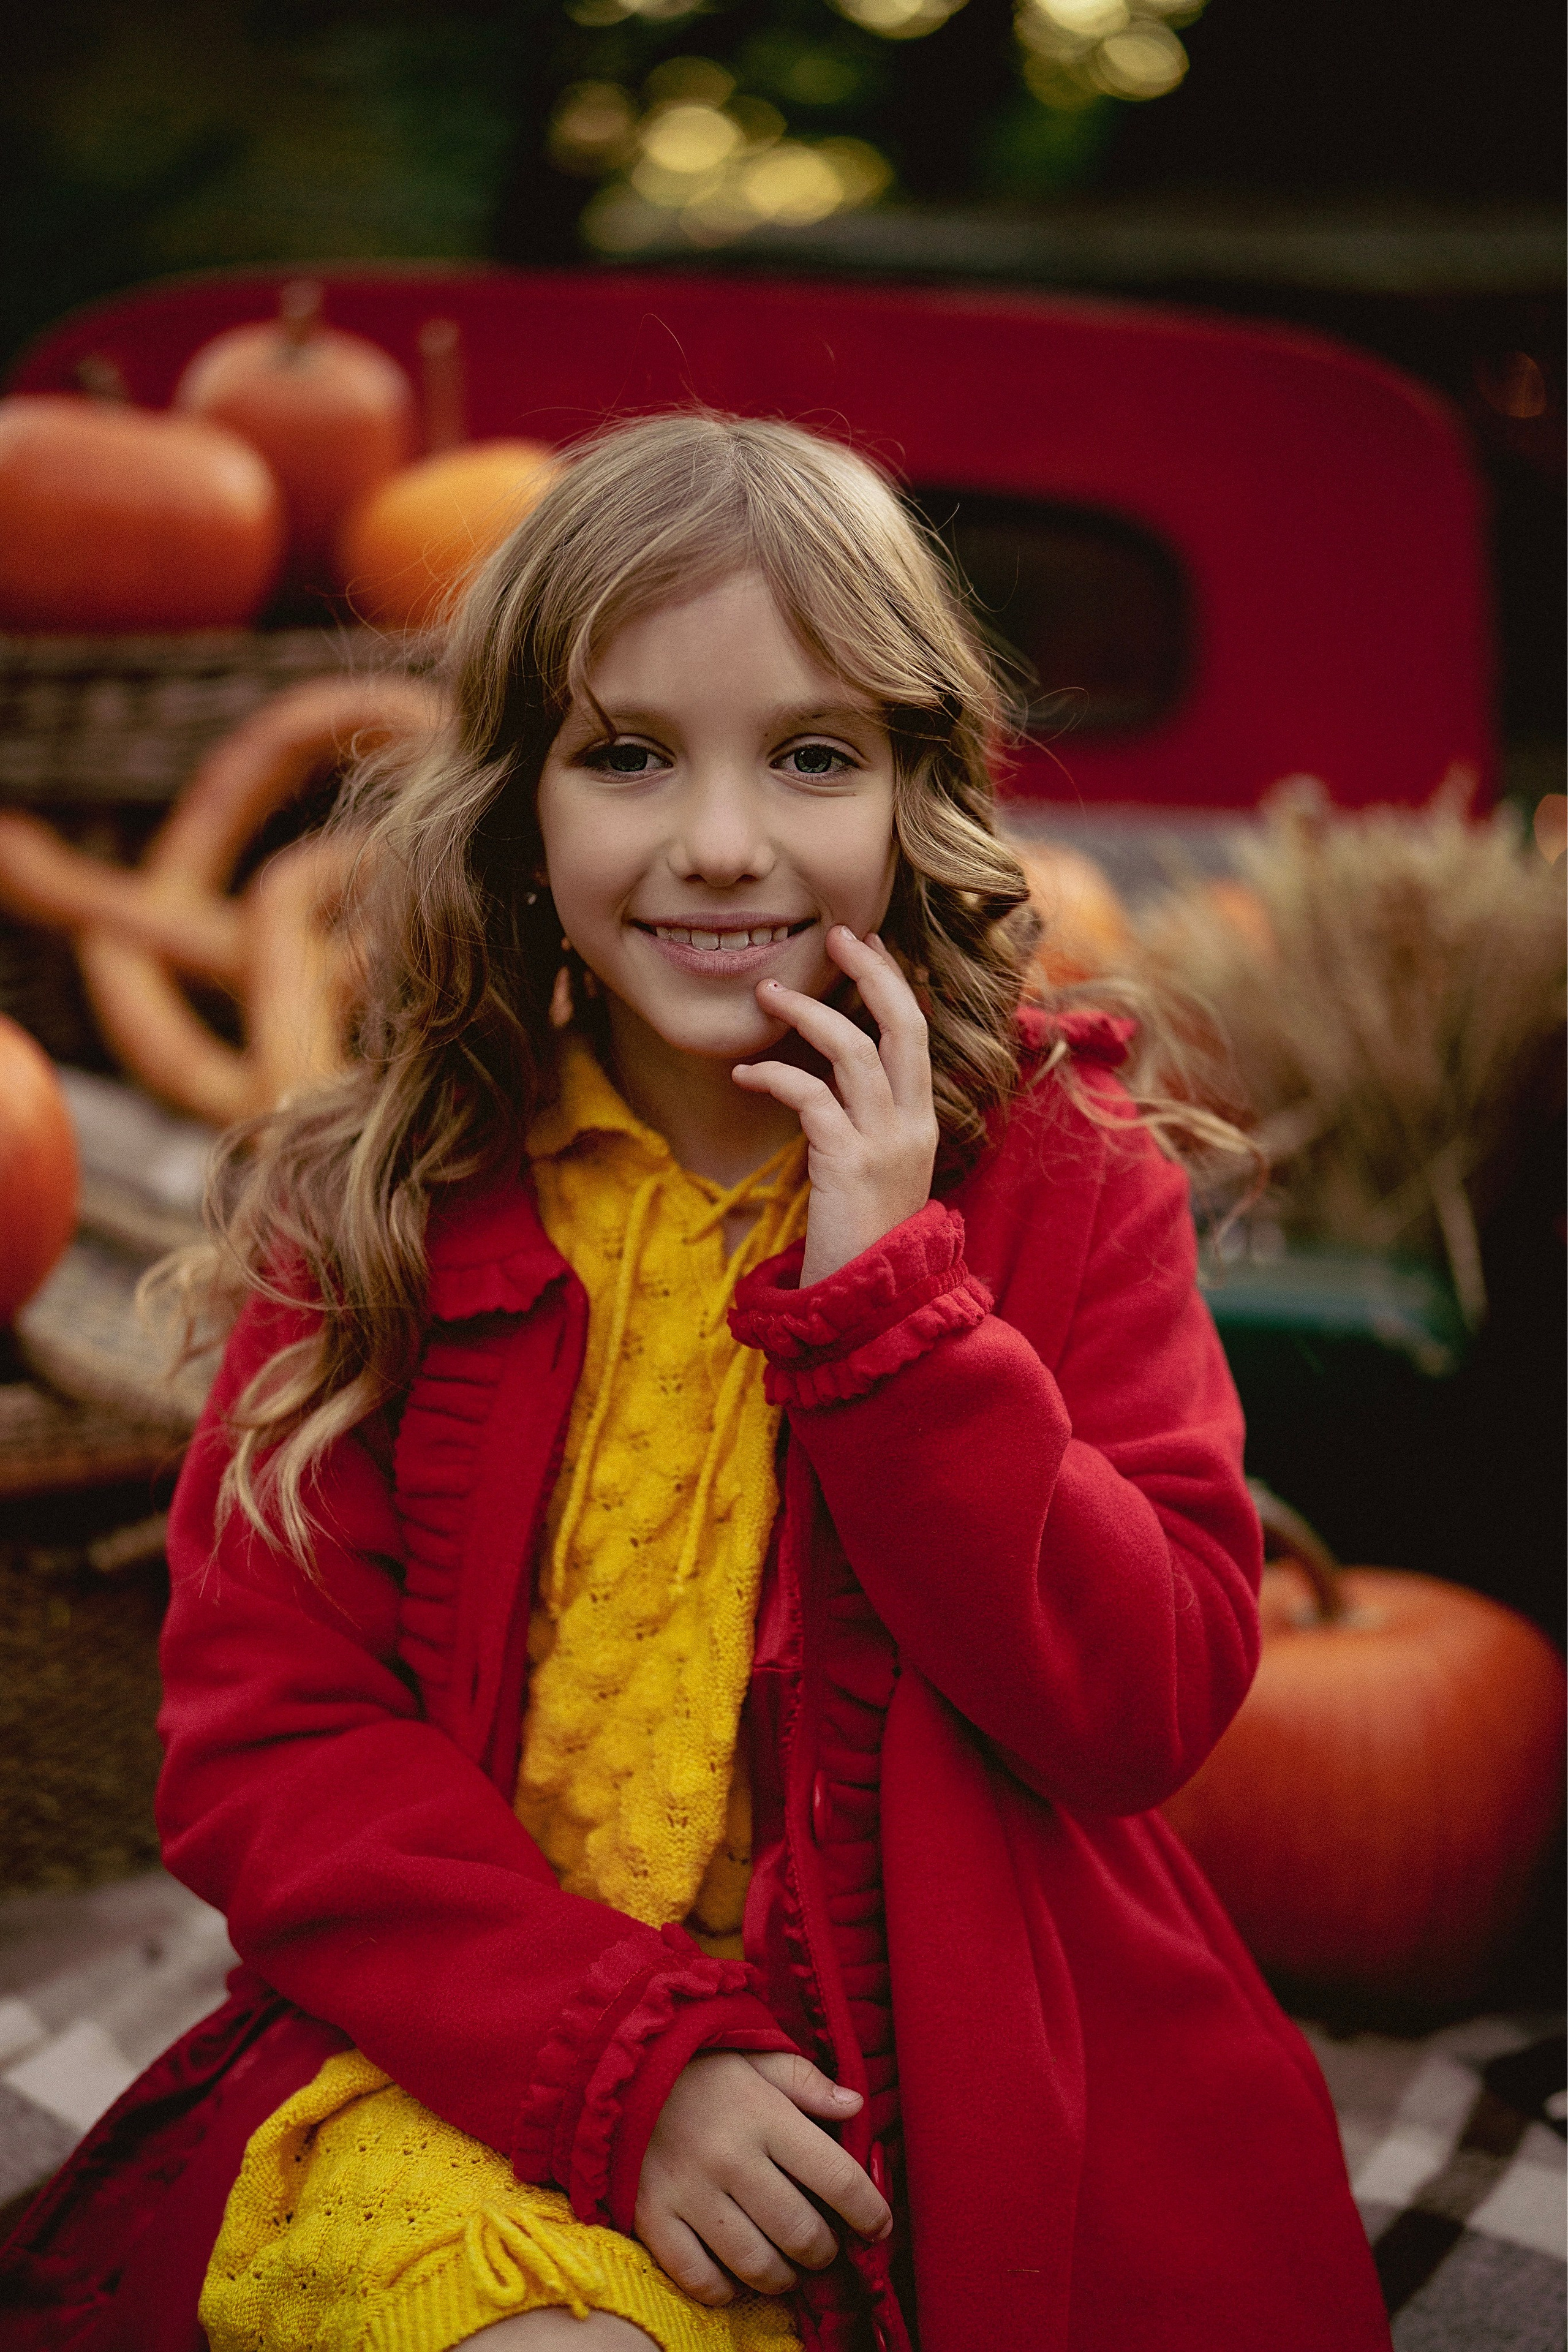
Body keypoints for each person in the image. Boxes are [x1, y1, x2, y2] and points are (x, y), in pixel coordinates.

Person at [0, 413, 1391, 2352]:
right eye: (629, 755)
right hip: (505, 2046)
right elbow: (271, 1746)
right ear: (518, 802)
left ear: (920, 792)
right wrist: (629, 2070)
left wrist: (902, 1308)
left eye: (811, 756)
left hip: (935, 2068)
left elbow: (1143, 1699)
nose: (720, 840)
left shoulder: (1058, 1175)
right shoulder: (382, 1198)